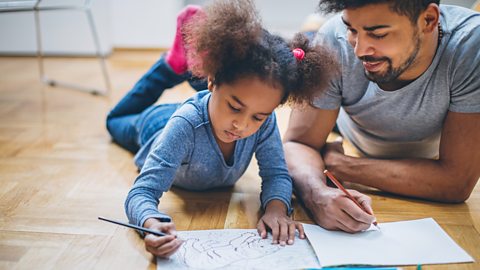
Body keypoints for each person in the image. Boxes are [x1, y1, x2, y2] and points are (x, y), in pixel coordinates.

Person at [106, 0, 335, 258]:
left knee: (237, 107)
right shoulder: (183, 125)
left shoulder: (264, 122)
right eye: (235, 108)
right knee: (115, 120)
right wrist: (149, 223)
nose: (242, 125)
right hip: (156, 125)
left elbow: (276, 174)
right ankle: (171, 66)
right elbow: (142, 192)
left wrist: (276, 210)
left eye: (258, 116)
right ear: (211, 82)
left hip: (204, 110)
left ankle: (192, 71)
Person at [283, 0, 480, 234]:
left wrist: (342, 165)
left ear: (428, 20)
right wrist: (317, 195)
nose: (359, 51)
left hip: (384, 150)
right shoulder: (335, 39)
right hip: (344, 122)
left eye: (378, 34)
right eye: (352, 29)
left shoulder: (470, 46)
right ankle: (313, 28)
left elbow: (455, 183)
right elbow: (297, 144)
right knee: (312, 46)